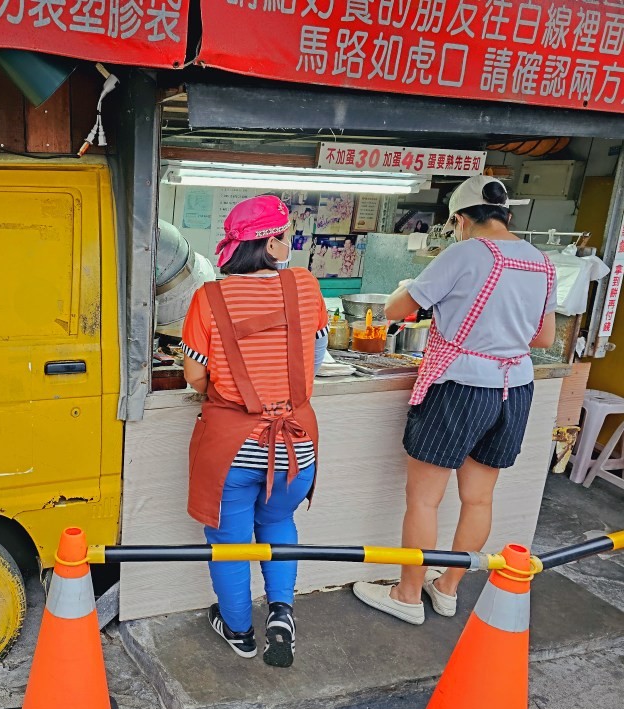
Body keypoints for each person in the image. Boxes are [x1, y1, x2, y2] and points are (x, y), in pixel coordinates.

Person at [353, 176, 556, 625]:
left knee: (424, 499)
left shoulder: (464, 253)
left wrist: (413, 285)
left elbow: (394, 310)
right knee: (479, 499)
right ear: (507, 215)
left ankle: (406, 595)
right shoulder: (542, 261)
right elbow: (543, 336)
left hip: (461, 385)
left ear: (461, 220)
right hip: (514, 389)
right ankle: (446, 589)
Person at [181, 195, 329, 667]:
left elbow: (194, 376)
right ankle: (281, 614)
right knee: (280, 524)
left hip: (232, 448)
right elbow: (318, 356)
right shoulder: (304, 286)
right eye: (285, 236)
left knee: (230, 545)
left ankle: (240, 630)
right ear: (270, 242)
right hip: (295, 445)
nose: (290, 244)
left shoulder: (208, 298)